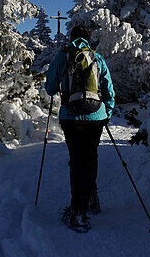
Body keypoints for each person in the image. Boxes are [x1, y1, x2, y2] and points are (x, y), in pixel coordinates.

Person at [44, 23, 115, 231]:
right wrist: (106, 113)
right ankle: (92, 197)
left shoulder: (62, 56)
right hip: (96, 117)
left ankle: (78, 210)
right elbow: (109, 90)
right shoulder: (97, 58)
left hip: (71, 117)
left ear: (71, 38)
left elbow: (49, 88)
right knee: (91, 157)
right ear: (88, 38)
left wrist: (59, 87)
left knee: (77, 161)